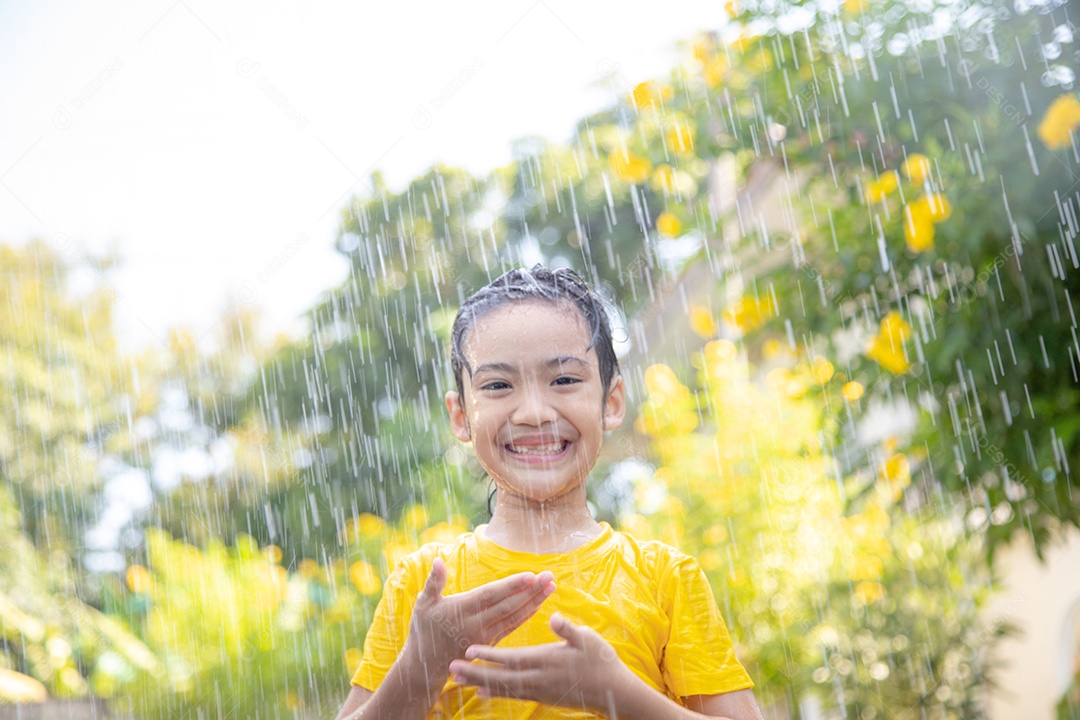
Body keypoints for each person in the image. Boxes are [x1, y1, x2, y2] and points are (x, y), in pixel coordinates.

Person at [335, 265, 764, 720]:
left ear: (612, 402)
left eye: (563, 380)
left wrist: (620, 695)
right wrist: (420, 667)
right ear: (460, 415)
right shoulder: (423, 587)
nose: (534, 412)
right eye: (498, 385)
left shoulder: (665, 580)